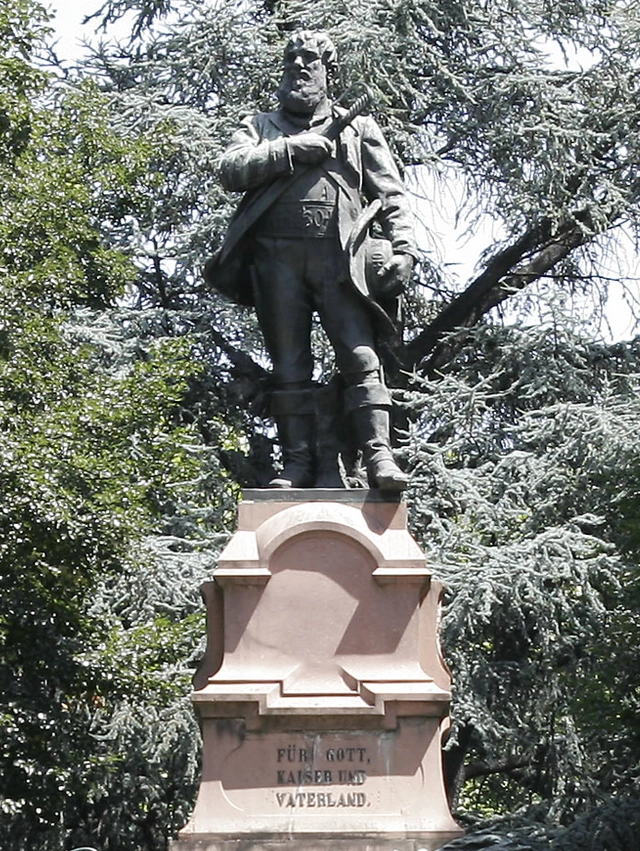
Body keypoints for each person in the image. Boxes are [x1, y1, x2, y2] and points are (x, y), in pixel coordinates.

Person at [205, 30, 418, 490]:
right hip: (276, 261)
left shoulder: (358, 127)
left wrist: (405, 250)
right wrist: (289, 151)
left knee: (361, 356)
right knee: (289, 365)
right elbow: (229, 169)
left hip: (340, 258)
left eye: (311, 61)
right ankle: (297, 464)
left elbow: (391, 194)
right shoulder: (261, 125)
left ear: (328, 70)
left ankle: (379, 456)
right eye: (293, 60)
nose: (301, 67)